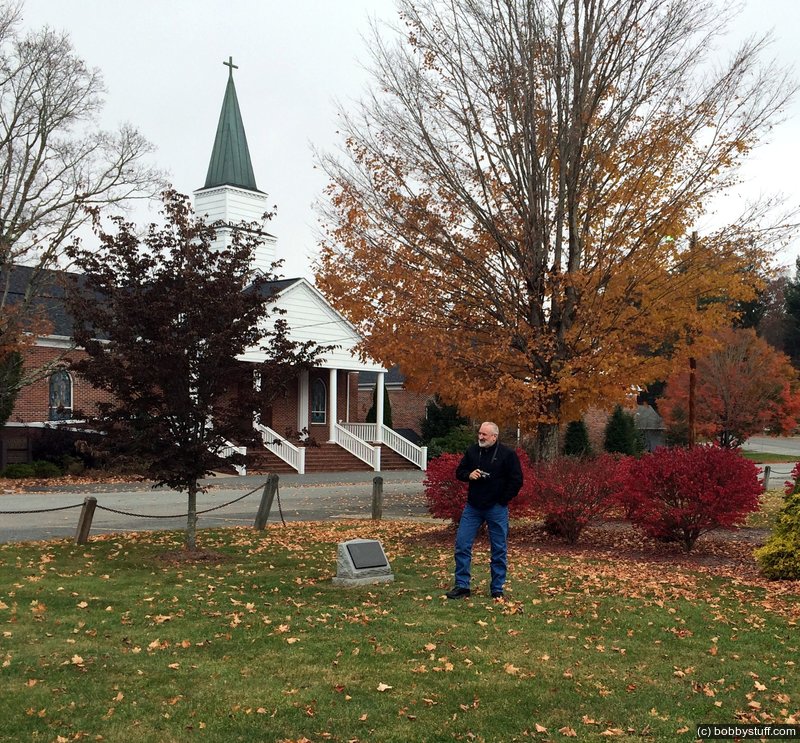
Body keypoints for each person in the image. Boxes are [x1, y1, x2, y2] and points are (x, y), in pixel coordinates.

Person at [446, 421, 523, 600]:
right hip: (473, 507)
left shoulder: (507, 454)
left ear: (494, 437)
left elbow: (517, 480)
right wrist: (469, 475)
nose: (480, 437)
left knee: (498, 549)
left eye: (484, 435)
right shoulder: (473, 451)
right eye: (479, 433)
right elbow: (460, 472)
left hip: (496, 508)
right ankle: (462, 586)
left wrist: (502, 500)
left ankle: (497, 588)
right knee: (462, 545)